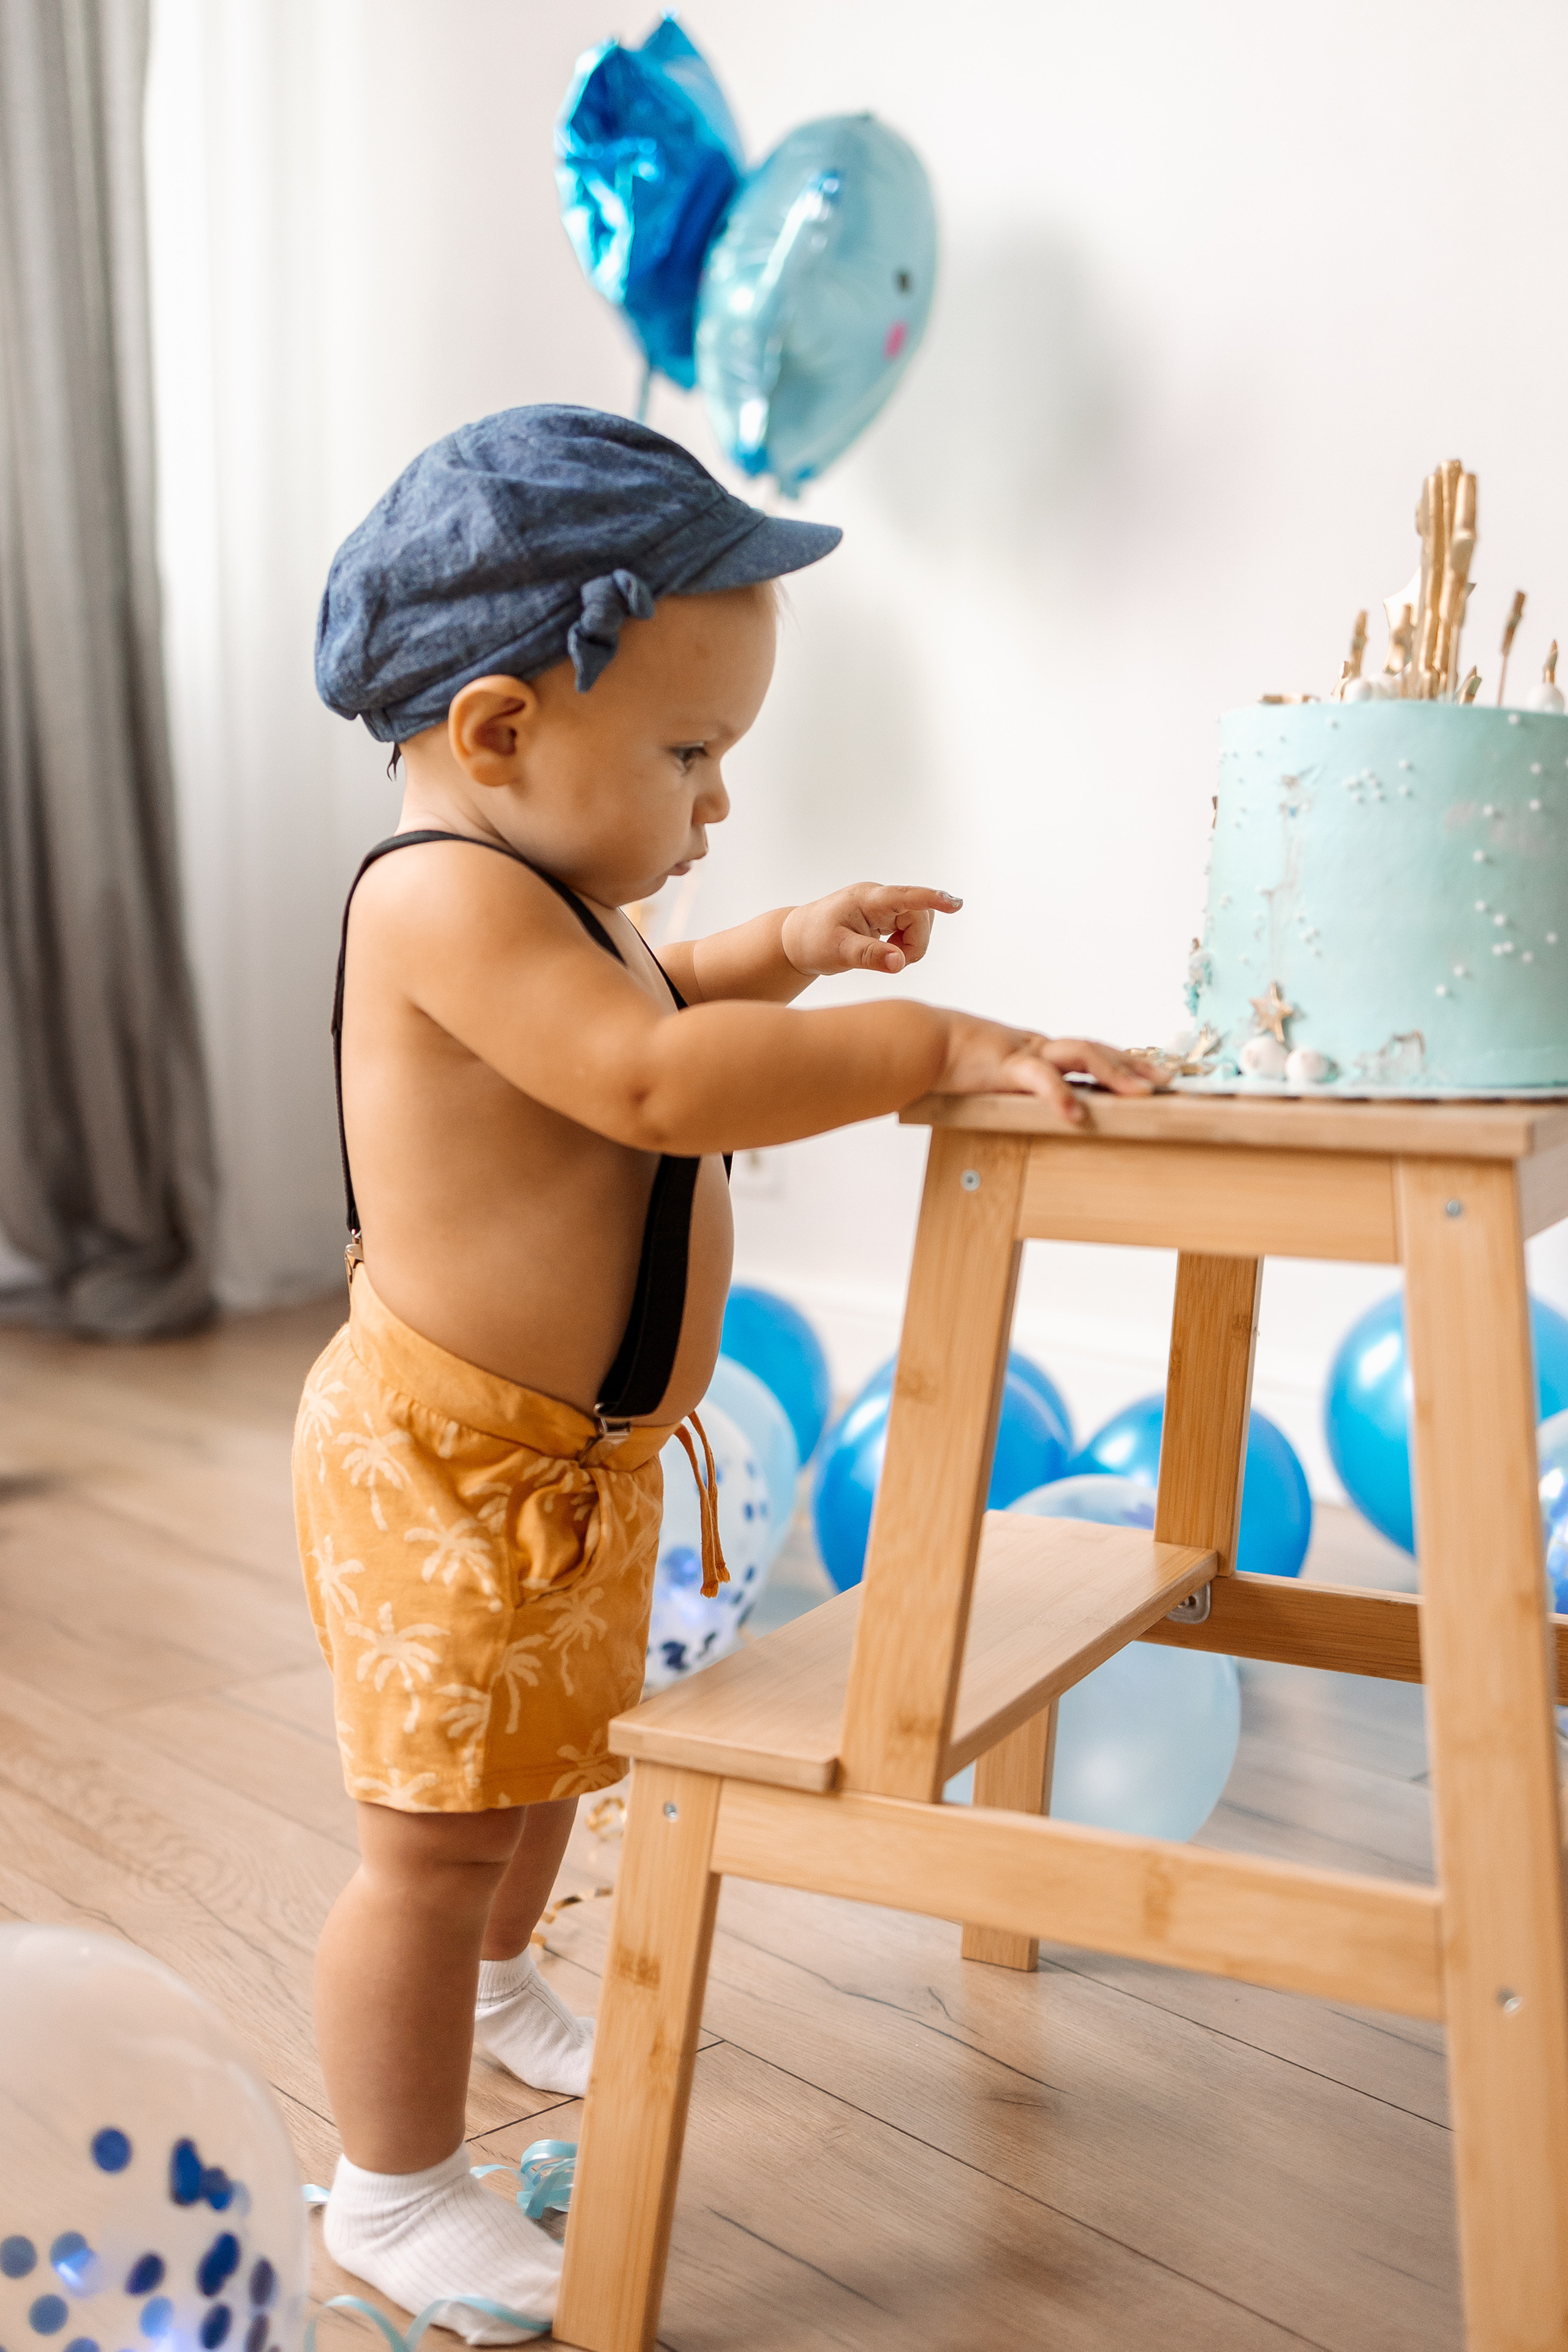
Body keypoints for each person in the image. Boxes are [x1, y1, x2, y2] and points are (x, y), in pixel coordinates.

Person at [296, 405, 1159, 2338]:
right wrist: (924, 1042)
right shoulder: (433, 897)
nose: (716, 804)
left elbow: (660, 999)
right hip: (449, 1468)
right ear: (504, 731)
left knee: (534, 1792)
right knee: (427, 1850)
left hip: (564, 1468)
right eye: (692, 755)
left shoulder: (552, 904)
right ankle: (390, 2185)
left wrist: (784, 943)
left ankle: (508, 1985)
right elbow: (644, 1075)